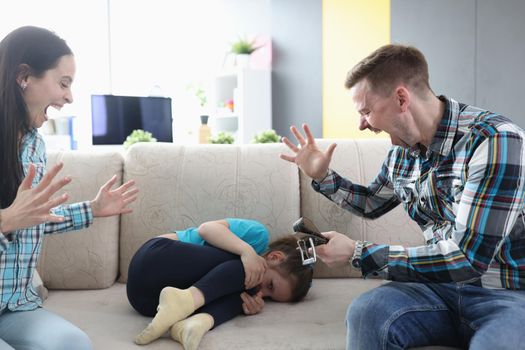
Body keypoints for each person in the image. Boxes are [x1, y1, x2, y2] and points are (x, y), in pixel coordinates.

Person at [280, 44, 525, 349]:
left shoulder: (494, 141)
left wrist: (358, 253)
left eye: (366, 111)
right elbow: (372, 203)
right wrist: (322, 177)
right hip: (436, 290)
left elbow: (467, 259)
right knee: (367, 312)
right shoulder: (402, 154)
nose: (362, 124)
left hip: (506, 296)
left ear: (401, 99)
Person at [0, 26, 139, 350]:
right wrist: (5, 220)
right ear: (24, 77)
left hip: (17, 307)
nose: (70, 97)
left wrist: (92, 209)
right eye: (63, 83)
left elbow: (31, 219)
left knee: (74, 345)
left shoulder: (34, 144)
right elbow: (14, 219)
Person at [127, 218, 313, 349]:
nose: (262, 293)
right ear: (274, 257)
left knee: (245, 293)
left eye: (269, 298)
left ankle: (192, 325)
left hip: (145, 301)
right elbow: (206, 229)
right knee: (250, 275)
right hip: (155, 258)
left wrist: (246, 305)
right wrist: (246, 251)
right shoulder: (258, 236)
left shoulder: (244, 286)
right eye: (270, 286)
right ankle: (184, 302)